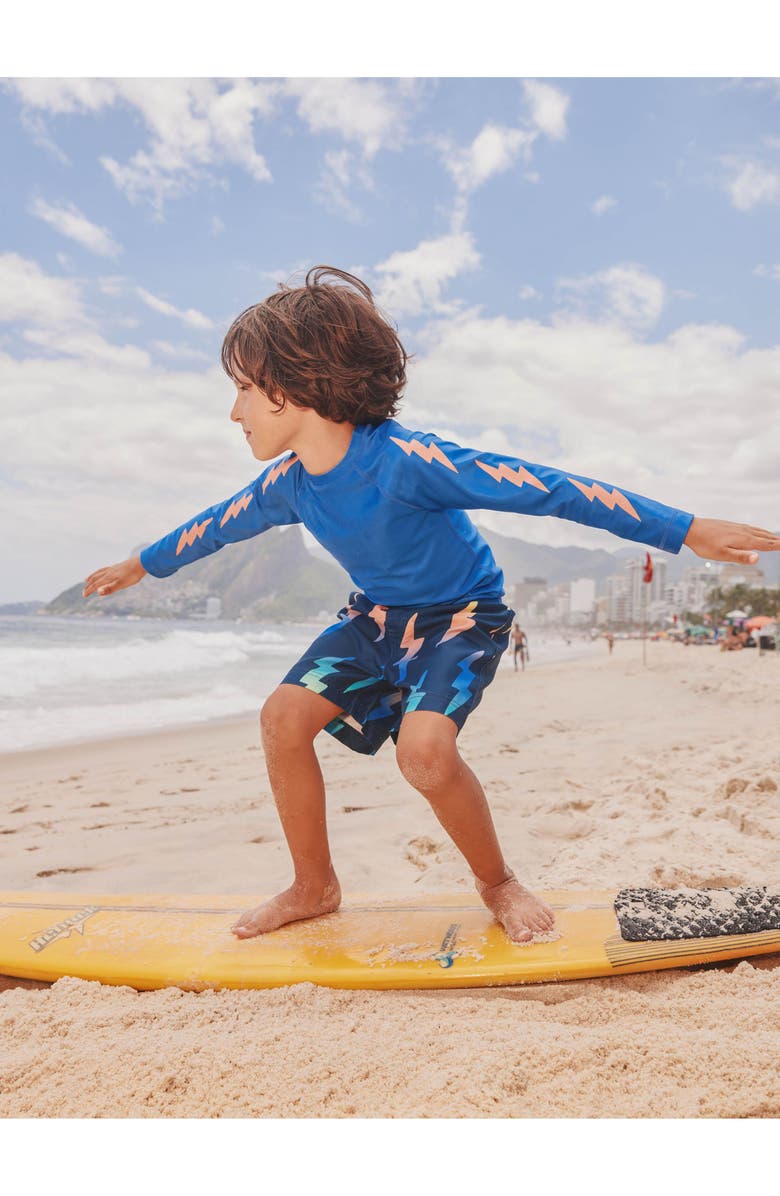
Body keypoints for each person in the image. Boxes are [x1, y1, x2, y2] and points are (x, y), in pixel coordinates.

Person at [82, 266, 780, 945]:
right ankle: (313, 885)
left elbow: (549, 487)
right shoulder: (287, 484)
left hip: (462, 619)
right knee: (282, 719)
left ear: (294, 384)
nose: (233, 410)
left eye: (241, 389)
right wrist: (139, 564)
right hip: (377, 619)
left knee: (424, 755)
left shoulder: (407, 460)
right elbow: (213, 525)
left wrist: (684, 530)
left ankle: (498, 882)